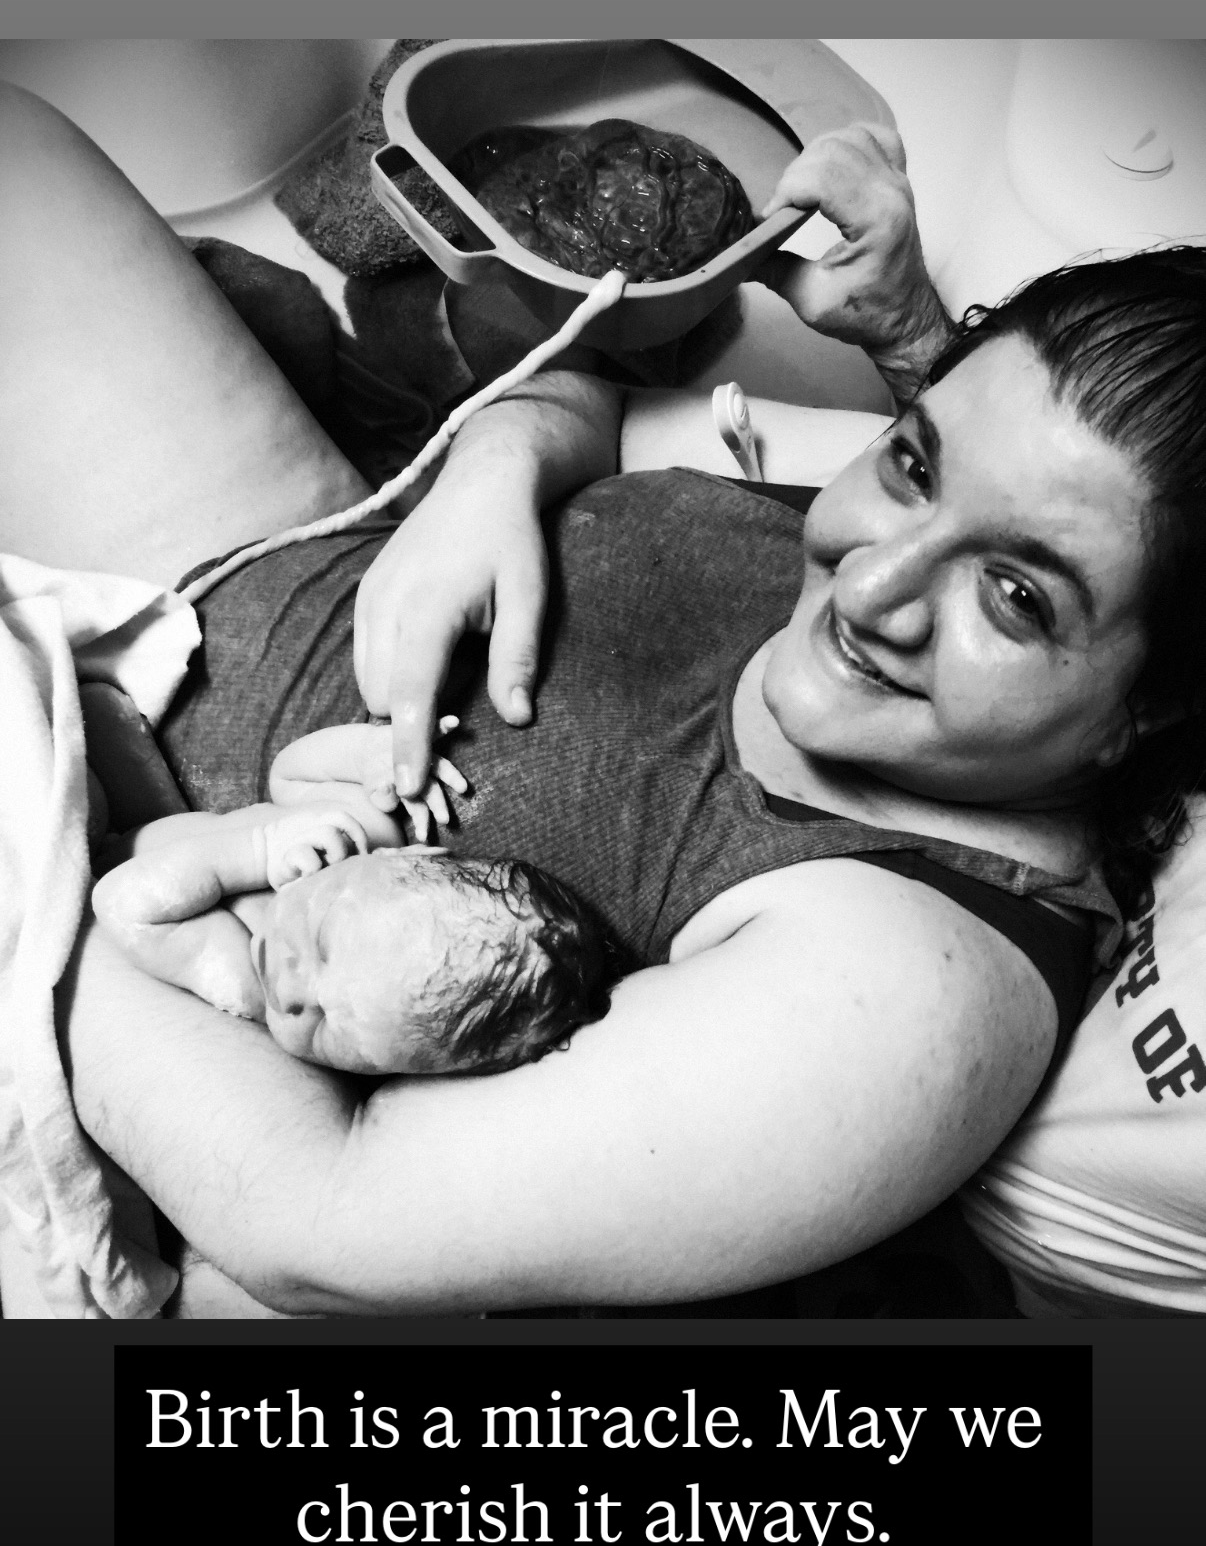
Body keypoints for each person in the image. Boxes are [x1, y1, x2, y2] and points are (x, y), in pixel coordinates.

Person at [5, 82, 1202, 1319]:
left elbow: (312, 1213)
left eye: (1016, 598)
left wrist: (40, 863)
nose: (869, 583)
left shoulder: (914, 981)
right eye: (912, 462)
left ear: (1155, 703)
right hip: (255, 566)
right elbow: (604, 406)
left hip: (145, 926)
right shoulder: (913, 517)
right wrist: (495, 468)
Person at [91, 717, 615, 1078]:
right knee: (98, 715)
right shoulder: (359, 833)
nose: (293, 991)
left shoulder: (244, 976)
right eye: (322, 941)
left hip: (88, 864)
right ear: (407, 856)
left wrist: (260, 849)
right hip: (144, 808)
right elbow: (288, 773)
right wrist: (368, 753)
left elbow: (123, 903)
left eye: (328, 1029)